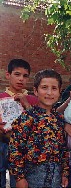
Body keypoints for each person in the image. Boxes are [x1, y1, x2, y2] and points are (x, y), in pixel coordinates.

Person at [8, 69, 69, 188]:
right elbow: (15, 148)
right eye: (44, 87)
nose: (49, 92)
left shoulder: (60, 119)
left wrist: (65, 173)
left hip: (55, 177)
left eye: (54, 88)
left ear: (59, 92)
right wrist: (19, 178)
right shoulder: (28, 117)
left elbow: (64, 149)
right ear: (36, 91)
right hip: (31, 176)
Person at [0, 59, 38, 188]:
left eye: (25, 76)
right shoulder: (1, 97)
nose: (21, 79)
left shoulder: (33, 99)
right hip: (2, 144)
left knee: (18, 180)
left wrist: (26, 103)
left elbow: (39, 122)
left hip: (23, 149)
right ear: (8, 75)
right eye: (17, 74)